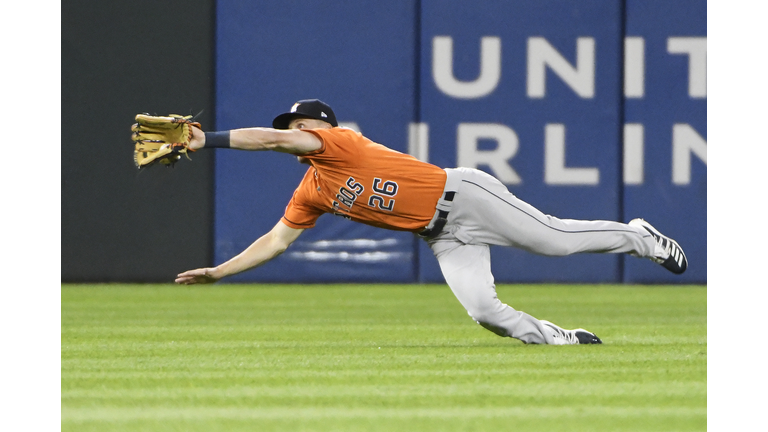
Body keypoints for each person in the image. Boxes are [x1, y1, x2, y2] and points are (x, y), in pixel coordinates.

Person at [174, 99, 688, 345]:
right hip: (441, 235)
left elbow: (270, 140)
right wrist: (219, 272)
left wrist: (208, 139)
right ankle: (561, 339)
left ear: (323, 126)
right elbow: (276, 242)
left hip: (464, 195)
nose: (295, 130)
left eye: (302, 123)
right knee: (485, 311)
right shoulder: (312, 188)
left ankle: (639, 238)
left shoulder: (341, 141)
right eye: (291, 125)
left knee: (553, 241)